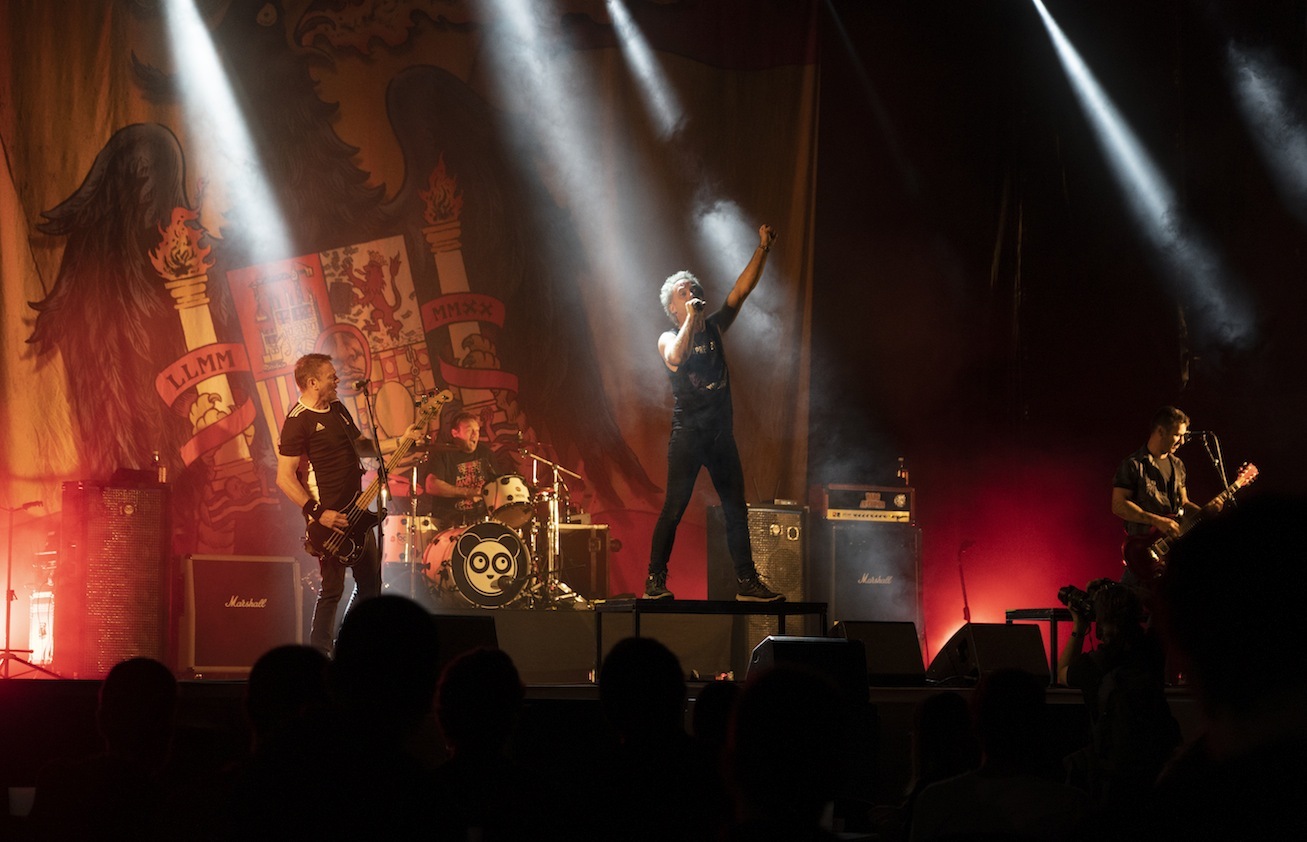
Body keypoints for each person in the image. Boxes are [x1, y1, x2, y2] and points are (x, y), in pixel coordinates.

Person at [646, 224, 783, 602]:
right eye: (682, 290)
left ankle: (746, 582)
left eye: (694, 286)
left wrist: (762, 249)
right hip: (689, 435)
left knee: (736, 508)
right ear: (673, 307)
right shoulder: (667, 336)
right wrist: (691, 318)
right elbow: (675, 358)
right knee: (674, 507)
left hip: (721, 435)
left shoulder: (716, 327)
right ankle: (655, 580)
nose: (692, 290)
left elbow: (741, 292)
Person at [276, 352, 420, 656]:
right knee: (331, 590)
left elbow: (363, 447)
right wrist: (318, 515)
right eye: (331, 376)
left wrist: (401, 440)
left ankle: (349, 648)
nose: (337, 380)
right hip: (328, 516)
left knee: (370, 586)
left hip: (357, 509)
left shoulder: (338, 409)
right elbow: (284, 478)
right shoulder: (297, 422)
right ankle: (318, 656)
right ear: (313, 382)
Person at [1111, 405, 1220, 585]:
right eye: (1178, 435)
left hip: (1173, 556)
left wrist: (1206, 512)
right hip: (1143, 555)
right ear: (1160, 431)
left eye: (1184, 436)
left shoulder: (1178, 465)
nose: (1182, 441)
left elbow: (1184, 503)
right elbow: (1118, 505)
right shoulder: (1133, 465)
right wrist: (1157, 521)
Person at [422, 410, 499, 527]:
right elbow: (431, 485)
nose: (475, 435)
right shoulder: (443, 454)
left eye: (477, 430)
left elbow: (499, 484)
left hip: (483, 521)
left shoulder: (486, 454)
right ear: (455, 433)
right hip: (450, 523)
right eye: (469, 430)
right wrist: (467, 492)